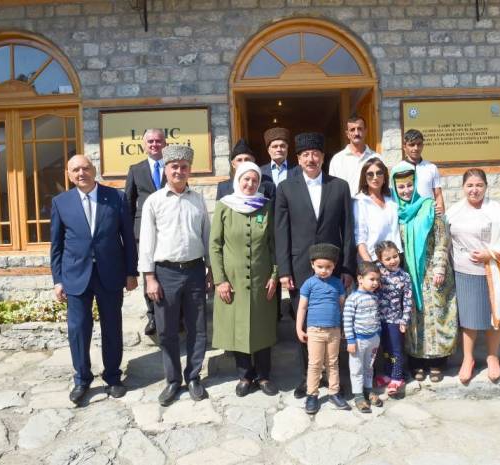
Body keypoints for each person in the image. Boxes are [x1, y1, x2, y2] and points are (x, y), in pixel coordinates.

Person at [50, 155, 138, 406]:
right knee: (78, 330)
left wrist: (131, 272)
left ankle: (112, 376)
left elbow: (128, 239)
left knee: (112, 326)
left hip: (110, 273)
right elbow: (56, 246)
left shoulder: (116, 198)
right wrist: (58, 279)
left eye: (85, 168)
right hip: (75, 276)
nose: (81, 173)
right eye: (75, 170)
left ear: (94, 170)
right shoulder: (60, 202)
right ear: (69, 175)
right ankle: (82, 378)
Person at [275, 132, 356, 399]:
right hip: (300, 268)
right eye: (305, 154)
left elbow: (348, 230)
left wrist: (346, 268)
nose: (311, 159)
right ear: (298, 159)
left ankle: (333, 377)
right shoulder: (286, 188)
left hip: (333, 271)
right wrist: (284, 271)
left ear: (323, 157)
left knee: (333, 324)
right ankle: (306, 377)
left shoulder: (339, 186)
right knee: (304, 321)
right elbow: (281, 232)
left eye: (316, 154)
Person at [139, 144, 213, 406]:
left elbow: (207, 235)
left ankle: (193, 376)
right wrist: (149, 278)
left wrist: (211, 270)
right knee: (167, 330)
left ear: (189, 170)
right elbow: (146, 242)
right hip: (165, 273)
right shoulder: (154, 202)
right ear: (166, 170)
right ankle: (172, 381)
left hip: (194, 270)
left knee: (197, 328)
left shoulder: (198, 199)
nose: (179, 171)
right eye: (174, 167)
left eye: (184, 167)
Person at [210, 161, 279, 397]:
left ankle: (264, 376)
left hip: (262, 280)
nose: (250, 184)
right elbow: (215, 245)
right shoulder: (224, 206)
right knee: (238, 328)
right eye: (245, 179)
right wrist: (220, 280)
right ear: (237, 180)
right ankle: (244, 376)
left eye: (255, 180)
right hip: (234, 279)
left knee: (262, 327)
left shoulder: (266, 206)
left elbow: (274, 244)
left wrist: (274, 275)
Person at [447, 168, 500, 384]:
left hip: (493, 271)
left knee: (494, 318)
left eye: (479, 185)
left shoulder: (497, 211)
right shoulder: (454, 211)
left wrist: (490, 253)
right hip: (465, 272)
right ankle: (468, 359)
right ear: (463, 187)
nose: (474, 190)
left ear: (486, 187)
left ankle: (492, 357)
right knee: (469, 319)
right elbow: (445, 239)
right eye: (470, 185)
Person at [391, 162, 458, 383]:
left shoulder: (429, 206)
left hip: (432, 273)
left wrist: (439, 266)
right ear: (395, 188)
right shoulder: (396, 213)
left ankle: (437, 363)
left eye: (409, 185)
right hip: (409, 274)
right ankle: (417, 362)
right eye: (401, 187)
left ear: (416, 184)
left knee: (436, 314)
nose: (406, 191)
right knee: (413, 318)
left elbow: (442, 238)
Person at [296, 243, 349, 415]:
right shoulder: (309, 284)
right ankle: (312, 395)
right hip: (314, 331)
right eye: (320, 267)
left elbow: (342, 306)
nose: (324, 270)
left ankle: (334, 392)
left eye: (328, 267)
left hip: (334, 330)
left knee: (332, 362)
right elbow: (302, 307)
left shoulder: (337, 284)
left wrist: (344, 327)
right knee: (315, 364)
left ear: (334, 266)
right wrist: (299, 328)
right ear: (312, 265)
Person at [125, 128, 167, 336]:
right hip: (143, 230)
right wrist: (128, 231)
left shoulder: (173, 167)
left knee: (169, 272)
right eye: (150, 141)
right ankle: (152, 317)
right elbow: (129, 204)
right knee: (148, 271)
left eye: (158, 141)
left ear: (165, 144)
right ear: (144, 144)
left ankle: (174, 316)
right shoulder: (135, 169)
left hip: (170, 229)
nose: (154, 144)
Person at [373, 240, 413, 397]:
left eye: (395, 256)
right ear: (380, 260)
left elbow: (408, 300)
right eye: (387, 259)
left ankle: (397, 378)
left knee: (396, 350)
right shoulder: (378, 274)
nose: (392, 261)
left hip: (396, 320)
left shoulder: (405, 276)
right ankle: (388, 374)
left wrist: (404, 320)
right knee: (386, 349)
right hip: (380, 319)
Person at [343, 261, 383, 413]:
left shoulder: (374, 297)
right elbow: (347, 321)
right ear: (360, 279)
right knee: (357, 368)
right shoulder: (353, 299)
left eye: (377, 280)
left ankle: (368, 389)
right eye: (372, 279)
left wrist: (378, 333)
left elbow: (376, 316)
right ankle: (359, 395)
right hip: (358, 341)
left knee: (369, 367)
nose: (375, 283)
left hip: (373, 339)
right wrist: (350, 340)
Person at [353, 158, 402, 262]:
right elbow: (359, 238)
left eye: (379, 173)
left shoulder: (393, 197)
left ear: (384, 176)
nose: (375, 178)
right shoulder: (360, 202)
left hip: (396, 259)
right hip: (374, 260)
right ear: (364, 178)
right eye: (370, 174)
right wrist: (370, 266)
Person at [329, 115, 381, 197]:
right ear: (347, 134)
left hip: (371, 206)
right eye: (352, 130)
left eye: (360, 129)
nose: (356, 133)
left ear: (365, 131)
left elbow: (384, 185)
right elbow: (333, 189)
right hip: (346, 207)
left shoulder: (377, 158)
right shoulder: (337, 160)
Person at [401, 129, 445, 215]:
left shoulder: (431, 168)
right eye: (412, 145)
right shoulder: (399, 169)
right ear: (404, 147)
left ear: (423, 145)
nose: (416, 148)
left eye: (419, 144)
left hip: (429, 215)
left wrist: (441, 214)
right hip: (408, 216)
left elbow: (438, 194)